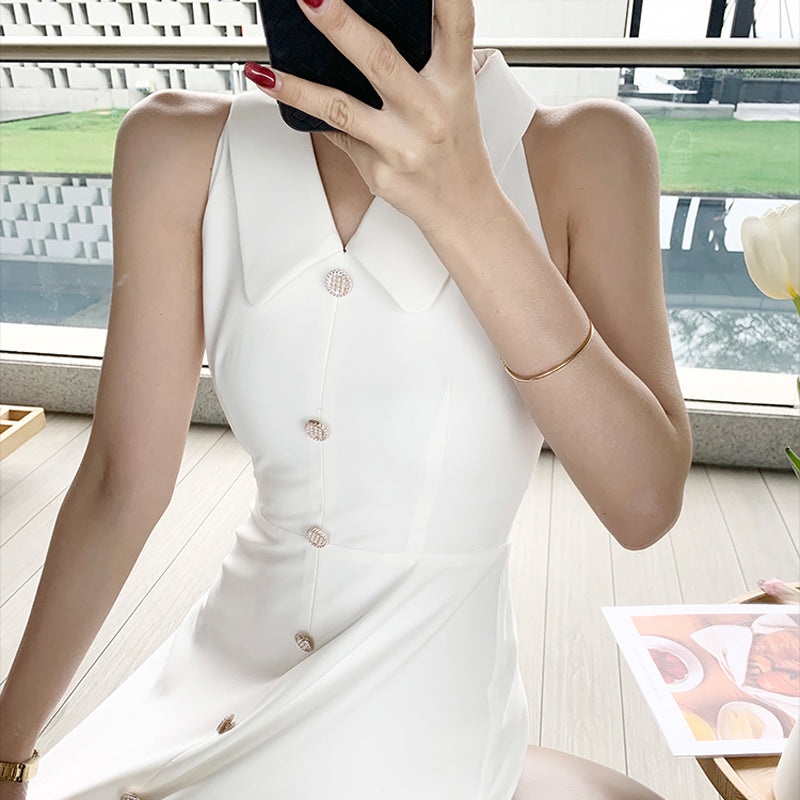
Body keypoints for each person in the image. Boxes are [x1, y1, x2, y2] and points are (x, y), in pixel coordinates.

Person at [0, 0, 692, 797]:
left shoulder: (588, 153)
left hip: (420, 721)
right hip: (212, 682)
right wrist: (8, 749)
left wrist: (469, 206)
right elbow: (120, 482)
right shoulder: (175, 146)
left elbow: (643, 504)